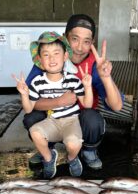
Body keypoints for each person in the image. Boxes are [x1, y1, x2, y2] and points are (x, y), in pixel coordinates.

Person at [24, 14, 123, 170]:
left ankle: (89, 151)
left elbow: (117, 106)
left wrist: (105, 76)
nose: (79, 47)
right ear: (64, 38)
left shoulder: (94, 65)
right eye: (75, 39)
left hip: (80, 121)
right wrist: (59, 102)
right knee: (31, 118)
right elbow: (29, 101)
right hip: (52, 118)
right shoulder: (49, 60)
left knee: (93, 119)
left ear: (92, 44)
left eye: (86, 42)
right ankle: (47, 150)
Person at [14, 31, 93, 179]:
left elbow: (87, 104)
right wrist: (24, 95)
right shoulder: (37, 82)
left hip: (71, 122)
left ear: (65, 56)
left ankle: (72, 158)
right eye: (46, 54)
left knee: (74, 144)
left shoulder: (73, 80)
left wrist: (87, 86)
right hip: (51, 121)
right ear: (39, 60)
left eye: (56, 53)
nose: (51, 59)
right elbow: (28, 109)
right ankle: (49, 158)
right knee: (34, 131)